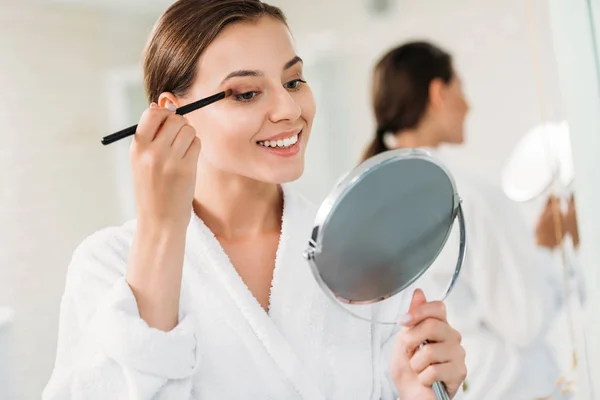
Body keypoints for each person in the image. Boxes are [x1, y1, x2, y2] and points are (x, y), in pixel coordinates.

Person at [42, 3, 467, 399]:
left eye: (294, 81)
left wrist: (416, 391)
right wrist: (161, 228)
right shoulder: (107, 265)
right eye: (246, 93)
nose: (288, 109)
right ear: (173, 113)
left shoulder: (362, 251)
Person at [361, 41, 571, 399]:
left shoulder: (370, 202)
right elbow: (525, 321)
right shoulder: (466, 196)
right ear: (438, 92)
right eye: (461, 87)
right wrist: (549, 247)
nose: (469, 104)